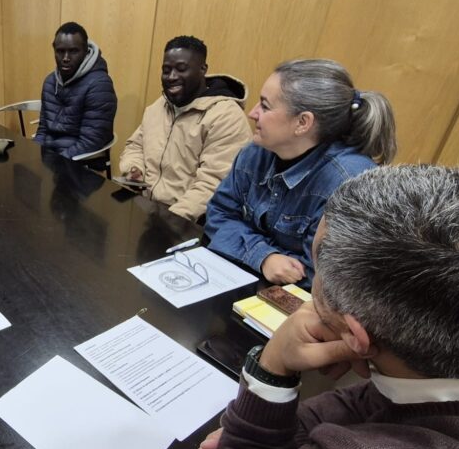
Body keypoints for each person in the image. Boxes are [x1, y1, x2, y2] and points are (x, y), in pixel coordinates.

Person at [191, 165, 459, 449]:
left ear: (355, 335)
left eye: (317, 272)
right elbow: (378, 401)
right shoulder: (457, 361)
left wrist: (273, 364)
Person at [203, 59, 396, 288]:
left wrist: (248, 247)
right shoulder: (257, 151)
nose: (253, 113)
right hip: (245, 279)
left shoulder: (348, 184)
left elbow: (318, 277)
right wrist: (264, 257)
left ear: (303, 122)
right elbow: (218, 214)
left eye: (265, 106)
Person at [118, 36, 250, 221]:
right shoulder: (159, 106)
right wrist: (134, 168)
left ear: (203, 69)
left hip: (189, 222)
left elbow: (212, 185)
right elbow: (135, 145)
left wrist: (171, 221)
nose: (172, 77)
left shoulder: (226, 116)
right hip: (148, 211)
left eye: (181, 69)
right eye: (166, 70)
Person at [34, 22, 117, 160]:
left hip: (79, 160)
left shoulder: (99, 85)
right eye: (60, 51)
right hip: (51, 155)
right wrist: (33, 154)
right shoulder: (50, 81)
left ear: (86, 51)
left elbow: (91, 141)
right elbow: (43, 130)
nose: (66, 58)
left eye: (73, 51)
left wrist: (54, 162)